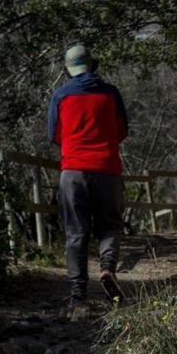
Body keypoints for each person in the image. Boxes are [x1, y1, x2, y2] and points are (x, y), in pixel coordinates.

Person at [47, 43, 128, 312]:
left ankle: (78, 295)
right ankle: (107, 270)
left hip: (73, 173)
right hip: (107, 169)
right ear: (92, 65)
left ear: (70, 70)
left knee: (76, 233)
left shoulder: (60, 96)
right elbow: (121, 131)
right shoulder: (111, 94)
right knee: (109, 225)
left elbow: (54, 136)